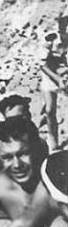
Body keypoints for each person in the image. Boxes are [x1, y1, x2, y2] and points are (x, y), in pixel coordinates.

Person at [39, 15, 68, 151]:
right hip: (51, 77)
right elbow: (43, 65)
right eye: (64, 31)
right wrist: (58, 79)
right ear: (60, 30)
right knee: (50, 110)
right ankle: (53, 142)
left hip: (65, 75)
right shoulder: (49, 39)